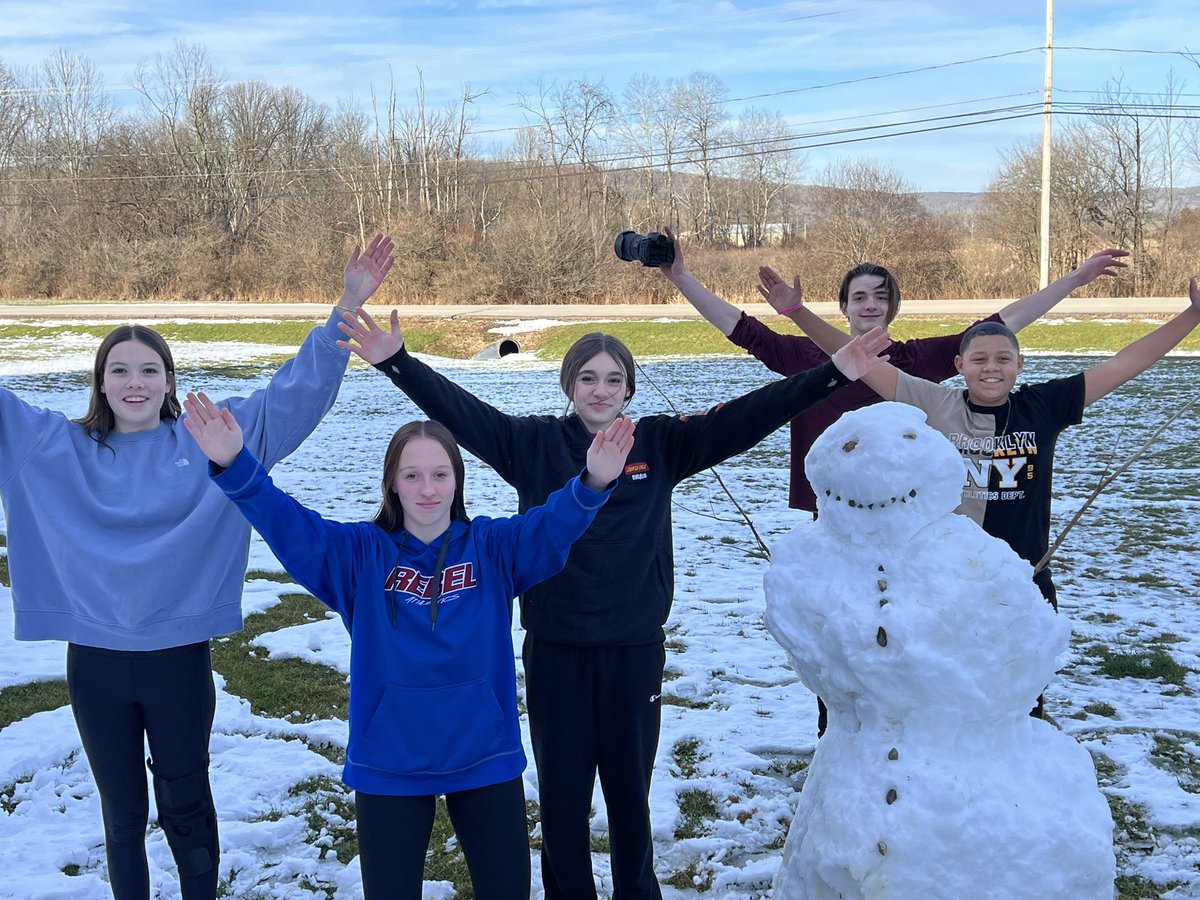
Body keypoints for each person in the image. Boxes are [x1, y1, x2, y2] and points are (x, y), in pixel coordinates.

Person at [332, 240, 891, 899]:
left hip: (632, 651)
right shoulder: (534, 444)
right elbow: (461, 412)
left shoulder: (659, 442)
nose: (601, 390)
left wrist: (833, 372)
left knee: (631, 799)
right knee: (564, 804)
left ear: (628, 388)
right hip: (558, 652)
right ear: (569, 385)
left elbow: (751, 415)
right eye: (588, 378)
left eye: (614, 379)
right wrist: (397, 362)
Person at [0, 234, 395, 900]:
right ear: (101, 381)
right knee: (122, 817)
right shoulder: (57, 447)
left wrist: (347, 305)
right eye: (120, 370)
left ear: (169, 381)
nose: (135, 382)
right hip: (95, 660)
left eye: (149, 370)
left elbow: (292, 397)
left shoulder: (208, 436)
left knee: (186, 806)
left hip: (177, 657)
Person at [183, 397, 635, 900]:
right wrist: (235, 464)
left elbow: (550, 524)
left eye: (440, 475)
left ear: (457, 481)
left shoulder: (492, 547)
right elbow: (291, 526)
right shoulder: (360, 556)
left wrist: (592, 482)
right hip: (391, 760)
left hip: (483, 752)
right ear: (392, 482)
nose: (427, 489)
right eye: (412, 475)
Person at [778, 276, 1200, 637]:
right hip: (948, 578)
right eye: (978, 359)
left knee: (1023, 704)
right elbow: (859, 358)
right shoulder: (937, 404)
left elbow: (1125, 363)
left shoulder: (1043, 407)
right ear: (960, 364)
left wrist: (1192, 316)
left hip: (1024, 575)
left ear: (1020, 363)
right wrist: (797, 311)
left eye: (1002, 359)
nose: (990, 368)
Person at [670, 227, 1128, 515]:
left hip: (908, 508)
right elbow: (739, 327)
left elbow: (1001, 324)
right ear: (845, 305)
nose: (871, 304)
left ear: (892, 307)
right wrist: (682, 278)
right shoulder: (805, 357)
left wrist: (1074, 279)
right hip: (833, 508)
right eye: (860, 297)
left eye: (881, 297)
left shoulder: (918, 361)